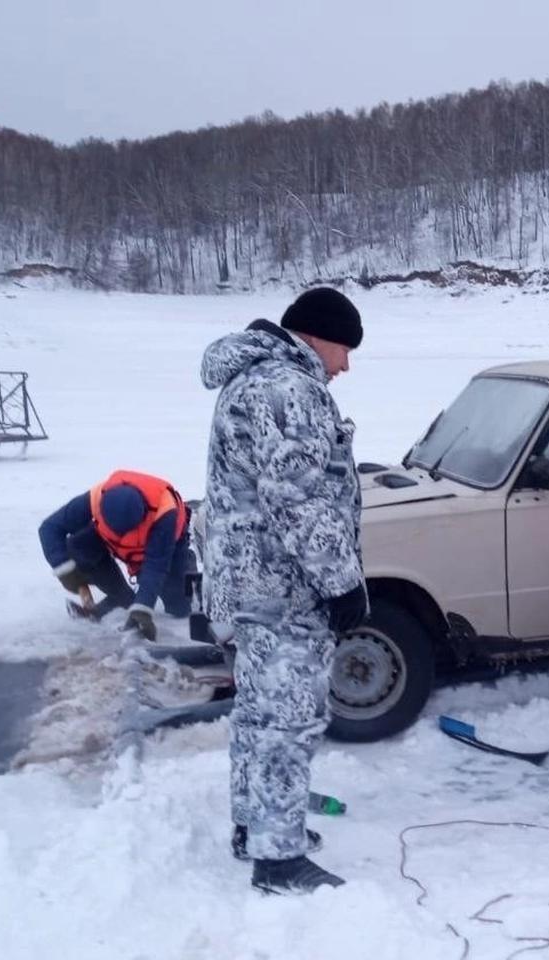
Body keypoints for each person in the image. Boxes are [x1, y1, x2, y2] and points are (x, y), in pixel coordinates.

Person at [199, 287, 367, 894]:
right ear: (315, 336)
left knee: (256, 710)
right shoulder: (287, 389)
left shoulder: (253, 379)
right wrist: (343, 581)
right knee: (287, 719)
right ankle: (278, 857)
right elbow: (298, 498)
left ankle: (255, 824)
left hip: (251, 580)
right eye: (343, 349)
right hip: (282, 586)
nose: (344, 365)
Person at [38, 470, 194, 639]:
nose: (121, 536)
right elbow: (50, 528)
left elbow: (156, 565)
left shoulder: (165, 513)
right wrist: (64, 569)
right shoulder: (96, 497)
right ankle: (124, 597)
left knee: (179, 608)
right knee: (78, 547)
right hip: (117, 544)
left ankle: (187, 562)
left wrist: (143, 609)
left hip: (165, 546)